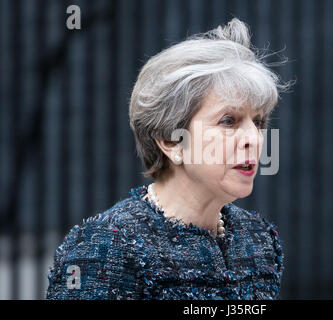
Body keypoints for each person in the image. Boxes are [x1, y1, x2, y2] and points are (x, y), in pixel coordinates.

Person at [46, 18, 289, 300]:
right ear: (171, 141)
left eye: (258, 122)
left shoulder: (259, 240)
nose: (254, 139)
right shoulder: (104, 247)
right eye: (228, 121)